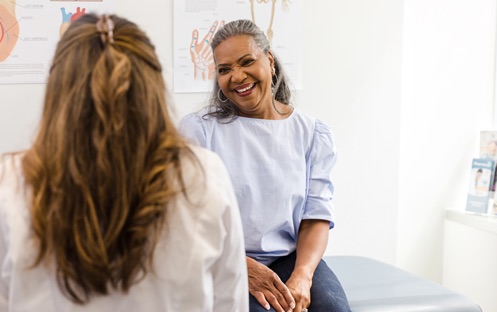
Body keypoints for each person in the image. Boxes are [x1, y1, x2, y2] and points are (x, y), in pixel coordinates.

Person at [0, 14, 248, 311]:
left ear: (59, 90)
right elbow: (230, 301)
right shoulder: (204, 174)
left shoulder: (11, 181)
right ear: (153, 89)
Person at [178, 19, 350, 312]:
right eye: (224, 69)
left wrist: (303, 276)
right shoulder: (200, 130)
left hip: (290, 258)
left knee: (333, 308)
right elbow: (186, 218)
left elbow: (316, 215)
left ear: (269, 61)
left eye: (247, 62)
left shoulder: (312, 133)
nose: (237, 76)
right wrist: (239, 265)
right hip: (223, 258)